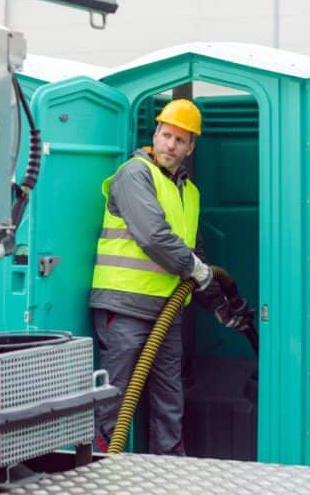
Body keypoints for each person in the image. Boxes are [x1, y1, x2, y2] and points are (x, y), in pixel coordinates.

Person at [89, 98, 252, 455]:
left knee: (169, 397)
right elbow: (153, 237)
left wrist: (219, 305)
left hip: (167, 310)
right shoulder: (134, 174)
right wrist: (196, 269)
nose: (170, 145)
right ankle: (102, 467)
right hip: (124, 305)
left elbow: (198, 260)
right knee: (116, 395)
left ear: (191, 147)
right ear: (155, 134)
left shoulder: (189, 192)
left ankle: (170, 471)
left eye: (180, 140)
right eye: (166, 135)